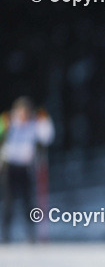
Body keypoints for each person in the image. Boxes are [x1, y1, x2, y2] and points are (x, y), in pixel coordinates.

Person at [1, 97, 55, 243]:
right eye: (21, 112)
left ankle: (31, 235)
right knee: (9, 202)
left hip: (25, 167)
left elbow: (47, 137)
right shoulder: (8, 121)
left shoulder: (34, 123)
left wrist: (45, 120)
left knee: (28, 203)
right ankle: (6, 235)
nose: (24, 115)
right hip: (9, 166)